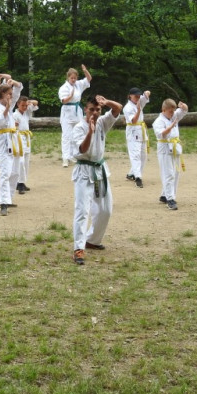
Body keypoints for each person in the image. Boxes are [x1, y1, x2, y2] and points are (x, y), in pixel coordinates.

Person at [70, 94, 121, 265]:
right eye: (91, 109)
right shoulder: (79, 128)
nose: (94, 113)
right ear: (85, 109)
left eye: (97, 109)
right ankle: (78, 248)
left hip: (100, 170)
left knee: (106, 209)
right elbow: (83, 149)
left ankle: (92, 239)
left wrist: (107, 102)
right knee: (82, 211)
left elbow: (117, 108)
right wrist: (90, 132)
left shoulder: (102, 122)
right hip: (84, 171)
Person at [0, 82, 23, 216]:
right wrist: (7, 108)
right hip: (4, 140)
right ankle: (3, 202)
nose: (11, 96)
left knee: (15, 171)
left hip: (14, 139)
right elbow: (0, 122)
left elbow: (18, 90)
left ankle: (8, 198)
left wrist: (14, 83)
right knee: (5, 172)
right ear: (2, 94)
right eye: (9, 94)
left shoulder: (9, 104)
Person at [152, 99, 189, 211]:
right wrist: (170, 127)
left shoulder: (173, 116)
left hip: (175, 147)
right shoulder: (158, 121)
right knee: (168, 174)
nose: (172, 113)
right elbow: (161, 134)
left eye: (173, 111)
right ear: (163, 110)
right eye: (170, 111)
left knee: (176, 173)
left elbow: (184, 111)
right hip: (164, 148)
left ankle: (165, 195)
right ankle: (170, 199)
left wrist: (183, 106)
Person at [58, 65, 92, 167]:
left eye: (75, 78)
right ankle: (65, 157)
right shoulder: (64, 88)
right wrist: (70, 96)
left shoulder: (78, 84)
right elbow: (64, 101)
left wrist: (85, 70)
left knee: (76, 134)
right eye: (71, 78)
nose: (73, 80)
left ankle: (73, 155)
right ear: (68, 77)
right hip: (67, 112)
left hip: (77, 112)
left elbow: (89, 79)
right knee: (66, 136)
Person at [123, 88, 151, 188]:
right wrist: (139, 110)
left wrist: (146, 93)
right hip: (133, 131)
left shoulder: (139, 101)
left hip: (141, 131)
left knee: (143, 156)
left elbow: (147, 94)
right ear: (130, 96)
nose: (137, 98)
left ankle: (132, 173)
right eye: (135, 96)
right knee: (135, 155)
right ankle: (138, 177)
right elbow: (134, 121)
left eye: (138, 96)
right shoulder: (127, 108)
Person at [13, 96, 38, 195]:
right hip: (19, 137)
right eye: (22, 105)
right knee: (21, 161)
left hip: (27, 137)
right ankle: (19, 183)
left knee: (26, 161)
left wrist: (29, 102)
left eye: (25, 105)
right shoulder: (14, 115)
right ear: (18, 104)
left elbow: (36, 102)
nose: (24, 107)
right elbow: (12, 127)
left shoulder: (27, 112)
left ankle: (23, 182)